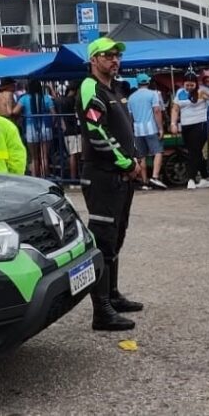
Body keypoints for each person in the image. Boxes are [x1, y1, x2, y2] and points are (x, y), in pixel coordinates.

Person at [78, 37, 144, 332]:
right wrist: (126, 163)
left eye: (117, 55)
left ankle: (113, 295)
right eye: (107, 55)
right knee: (103, 240)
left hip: (120, 177)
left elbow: (125, 130)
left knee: (117, 236)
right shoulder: (90, 87)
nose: (114, 60)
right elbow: (97, 132)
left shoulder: (114, 89)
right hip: (102, 175)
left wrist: (136, 157)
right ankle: (101, 311)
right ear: (94, 59)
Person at [172, 70, 209, 189]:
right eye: (187, 85)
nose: (189, 87)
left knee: (194, 151)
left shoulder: (201, 90)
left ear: (196, 84)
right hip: (186, 125)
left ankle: (191, 178)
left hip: (200, 124)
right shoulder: (180, 93)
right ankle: (205, 177)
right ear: (183, 84)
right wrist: (173, 123)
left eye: (192, 85)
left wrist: (206, 92)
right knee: (194, 151)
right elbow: (175, 109)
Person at [126, 74, 166, 190]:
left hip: (137, 130)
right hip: (151, 128)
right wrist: (160, 128)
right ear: (148, 82)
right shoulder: (153, 94)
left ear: (137, 83)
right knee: (158, 152)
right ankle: (155, 177)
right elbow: (157, 111)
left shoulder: (131, 97)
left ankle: (144, 182)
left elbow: (130, 116)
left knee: (141, 156)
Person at [20, 79, 56, 178]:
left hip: (31, 129)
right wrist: (52, 124)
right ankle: (45, 178)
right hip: (46, 128)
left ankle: (35, 178)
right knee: (44, 156)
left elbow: (15, 111)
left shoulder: (24, 99)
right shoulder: (47, 98)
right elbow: (54, 114)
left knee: (34, 158)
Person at [56, 84, 81, 181]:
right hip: (75, 130)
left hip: (67, 131)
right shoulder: (74, 101)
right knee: (74, 155)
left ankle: (73, 177)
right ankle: (74, 177)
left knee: (72, 154)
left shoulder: (61, 101)